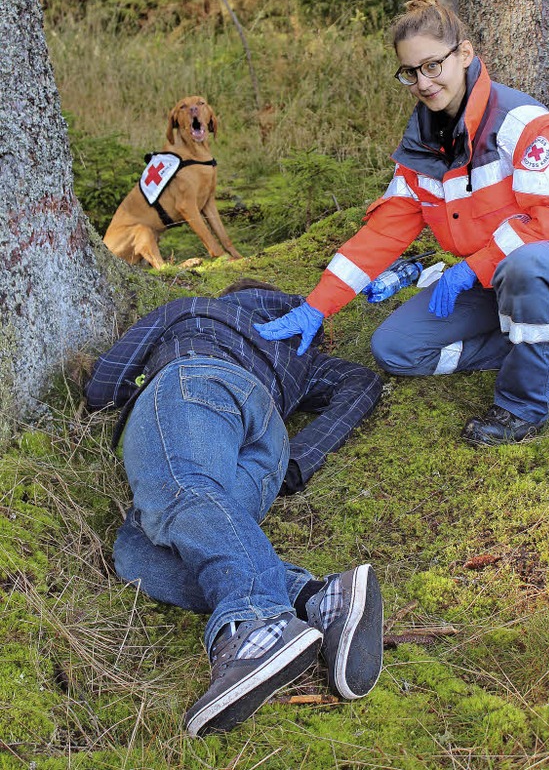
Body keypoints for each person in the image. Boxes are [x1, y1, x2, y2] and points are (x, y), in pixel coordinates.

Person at [255, 0, 549, 447]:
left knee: (528, 267)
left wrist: (472, 267)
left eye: (432, 66)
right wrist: (317, 305)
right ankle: (541, 342)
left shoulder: (522, 126)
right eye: (409, 73)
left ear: (464, 54)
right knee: (396, 348)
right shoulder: (421, 151)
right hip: (495, 279)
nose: (423, 83)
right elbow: (383, 232)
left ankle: (523, 407)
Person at [84, 279, 383, 737]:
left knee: (183, 492)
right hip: (269, 441)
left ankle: (255, 620)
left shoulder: (195, 310)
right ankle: (318, 599)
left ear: (235, 297)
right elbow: (362, 383)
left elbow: (104, 384)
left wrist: (117, 396)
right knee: (139, 554)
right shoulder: (303, 347)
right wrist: (300, 459)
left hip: (197, 382)